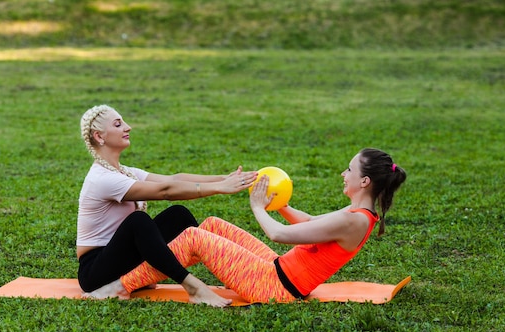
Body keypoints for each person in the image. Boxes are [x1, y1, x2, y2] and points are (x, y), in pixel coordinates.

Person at [119, 148, 407, 305]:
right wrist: (281, 204)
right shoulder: (357, 212)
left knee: (194, 237)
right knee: (213, 225)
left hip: (274, 287)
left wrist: (258, 207)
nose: (344, 174)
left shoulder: (352, 220)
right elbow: (308, 221)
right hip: (279, 269)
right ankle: (145, 277)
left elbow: (279, 234)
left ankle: (120, 286)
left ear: (365, 181)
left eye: (349, 170)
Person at [76, 104, 258, 307]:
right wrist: (219, 187)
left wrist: (226, 178)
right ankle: (194, 288)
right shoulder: (102, 178)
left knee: (179, 216)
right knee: (138, 221)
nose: (128, 127)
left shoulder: (123, 171)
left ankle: (228, 277)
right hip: (96, 273)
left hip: (120, 259)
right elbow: (166, 191)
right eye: (118, 124)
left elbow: (173, 178)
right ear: (99, 136)